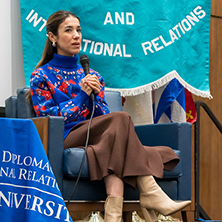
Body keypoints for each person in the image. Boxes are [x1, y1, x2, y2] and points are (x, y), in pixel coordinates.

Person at [30, 10, 190, 222]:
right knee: (122, 119)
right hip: (65, 137)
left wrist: (96, 96)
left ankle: (113, 216)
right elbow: (49, 118)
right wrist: (81, 96)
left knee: (115, 136)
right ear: (53, 37)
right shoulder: (40, 75)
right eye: (68, 30)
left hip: (97, 138)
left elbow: (104, 116)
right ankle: (150, 192)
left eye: (78, 30)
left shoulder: (92, 75)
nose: (77, 35)